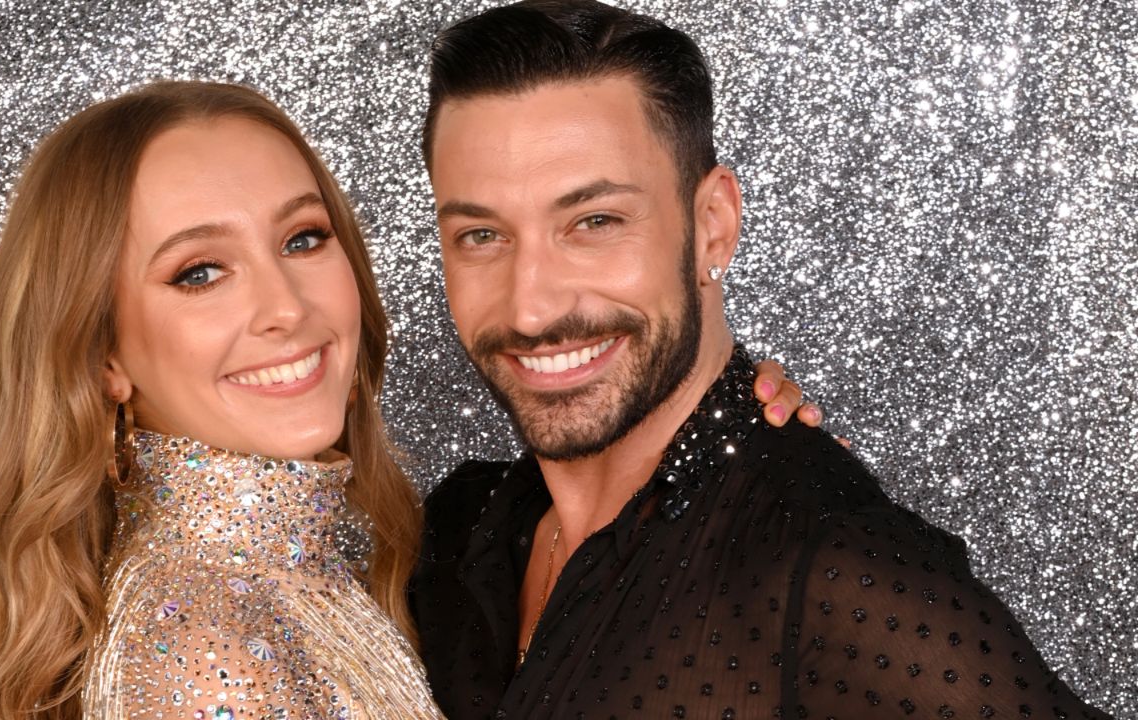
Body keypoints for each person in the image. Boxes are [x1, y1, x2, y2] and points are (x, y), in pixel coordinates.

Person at [0, 80, 813, 718]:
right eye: (200, 272)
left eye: (304, 239)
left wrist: (722, 418)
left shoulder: (351, 562)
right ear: (105, 356)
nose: (286, 308)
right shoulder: (207, 640)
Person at [410, 2, 1116, 719]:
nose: (531, 308)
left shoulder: (836, 569)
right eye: (481, 236)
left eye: (595, 222)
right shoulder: (457, 529)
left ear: (713, 225)